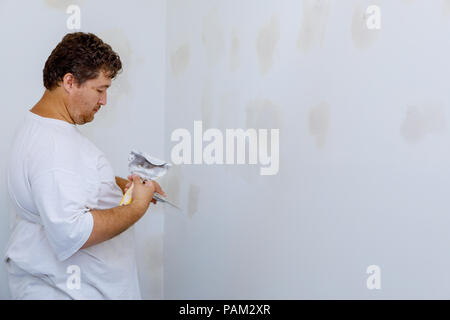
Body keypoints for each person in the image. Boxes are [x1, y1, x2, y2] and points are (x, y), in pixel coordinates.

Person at [4, 32, 165, 299]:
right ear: (70, 81)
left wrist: (121, 186)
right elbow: (71, 232)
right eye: (100, 90)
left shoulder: (40, 128)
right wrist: (137, 207)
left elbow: (67, 183)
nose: (104, 101)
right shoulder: (54, 148)